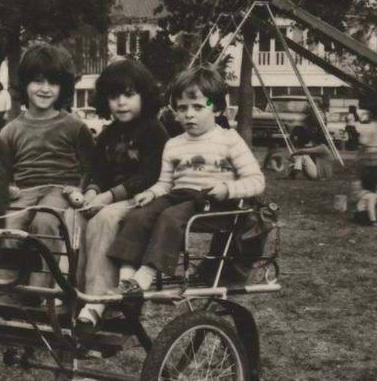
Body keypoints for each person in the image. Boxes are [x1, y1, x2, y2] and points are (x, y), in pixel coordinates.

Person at [106, 65, 265, 296]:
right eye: (182, 108)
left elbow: (256, 180)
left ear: (217, 109)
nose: (189, 114)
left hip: (215, 203)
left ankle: (144, 278)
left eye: (198, 107)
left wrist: (227, 189)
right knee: (137, 216)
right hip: (179, 197)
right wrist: (151, 193)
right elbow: (166, 183)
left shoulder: (229, 140)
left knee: (171, 216)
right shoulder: (174, 144)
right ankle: (125, 281)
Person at [74, 59, 169, 328]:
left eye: (129, 95)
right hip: (112, 199)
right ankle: (74, 293)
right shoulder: (108, 134)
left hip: (144, 200)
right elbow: (98, 170)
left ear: (144, 95)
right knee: (74, 218)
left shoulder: (154, 131)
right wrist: (92, 191)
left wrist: (107, 197)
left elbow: (148, 176)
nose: (121, 103)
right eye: (114, 96)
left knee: (104, 219)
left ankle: (97, 300)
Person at [0, 43, 96, 286]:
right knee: (7, 228)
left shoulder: (75, 127)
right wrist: (7, 187)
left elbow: (90, 168)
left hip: (60, 192)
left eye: (53, 83)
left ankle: (40, 291)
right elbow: (1, 171)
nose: (45, 89)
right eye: (37, 81)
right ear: (24, 83)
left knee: (44, 221)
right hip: (24, 194)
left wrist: (80, 190)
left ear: (63, 87)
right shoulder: (11, 130)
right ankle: (5, 296)